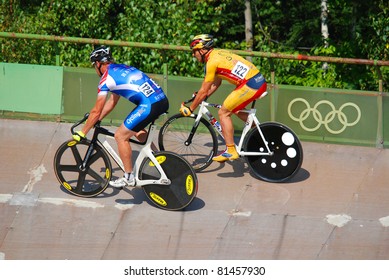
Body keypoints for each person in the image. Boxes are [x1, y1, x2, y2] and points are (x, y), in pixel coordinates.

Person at [72, 45, 169, 188]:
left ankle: (128, 177)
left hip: (149, 104)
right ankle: (161, 159)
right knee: (136, 130)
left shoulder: (105, 79)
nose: (95, 69)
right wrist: (97, 120)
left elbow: (96, 110)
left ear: (98, 64)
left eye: (94, 65)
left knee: (120, 136)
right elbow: (112, 101)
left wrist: (83, 132)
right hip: (161, 100)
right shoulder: (121, 68)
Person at [179, 34, 268, 162]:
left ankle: (231, 150)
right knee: (235, 109)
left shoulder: (211, 62)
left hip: (250, 84)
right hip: (256, 81)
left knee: (223, 113)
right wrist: (201, 96)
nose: (193, 55)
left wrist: (191, 109)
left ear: (202, 50)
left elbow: (204, 90)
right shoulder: (217, 53)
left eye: (194, 51)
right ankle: (260, 133)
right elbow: (216, 83)